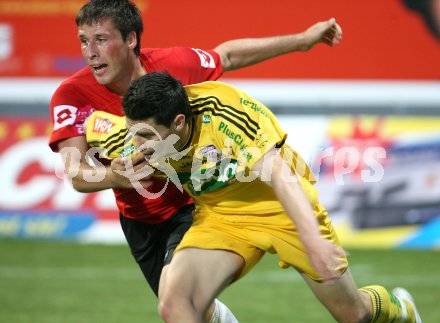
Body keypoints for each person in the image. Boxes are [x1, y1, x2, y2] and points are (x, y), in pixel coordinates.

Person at [48, 0, 343, 321]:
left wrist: (303, 40)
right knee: (181, 310)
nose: (90, 51)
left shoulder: (173, 65)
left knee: (181, 304)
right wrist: (115, 177)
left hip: (198, 202)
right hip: (142, 220)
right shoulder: (72, 96)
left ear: (130, 39)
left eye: (101, 39)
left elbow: (226, 56)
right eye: (83, 41)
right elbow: (75, 173)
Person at [85, 72, 423, 323]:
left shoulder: (227, 115)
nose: (137, 143)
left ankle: (402, 310)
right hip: (220, 217)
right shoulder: (132, 137)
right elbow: (82, 163)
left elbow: (281, 176)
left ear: (178, 122)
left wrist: (313, 239)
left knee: (356, 315)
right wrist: (114, 174)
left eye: (145, 135)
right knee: (175, 303)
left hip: (283, 209)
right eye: (132, 132)